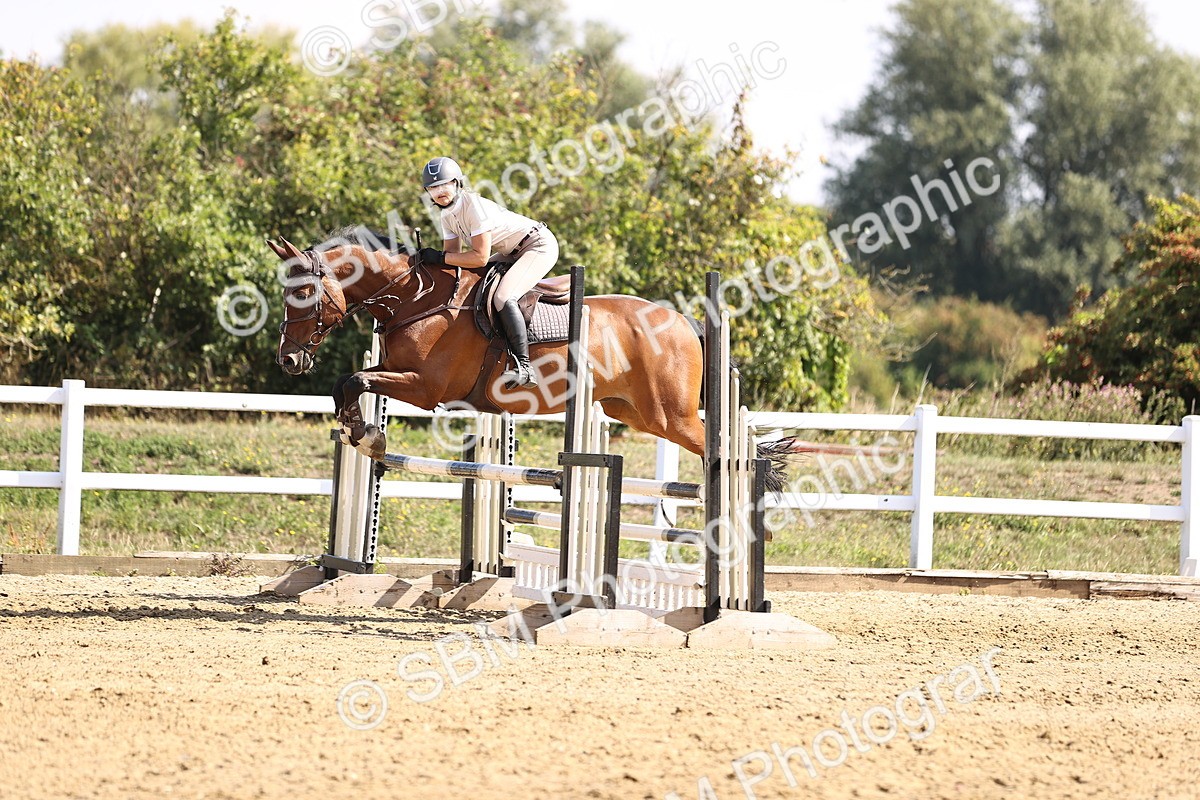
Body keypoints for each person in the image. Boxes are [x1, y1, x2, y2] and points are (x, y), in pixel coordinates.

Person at [416, 156, 559, 388]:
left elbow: (479, 257)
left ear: (457, 183)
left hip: (537, 245)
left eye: (444, 184)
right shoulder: (446, 215)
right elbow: (453, 258)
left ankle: (525, 366)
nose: (439, 191)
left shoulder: (474, 207)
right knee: (474, 284)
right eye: (433, 187)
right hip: (511, 250)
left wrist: (440, 257)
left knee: (503, 296)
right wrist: (426, 261)